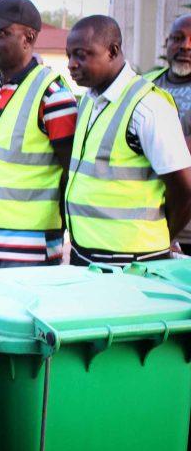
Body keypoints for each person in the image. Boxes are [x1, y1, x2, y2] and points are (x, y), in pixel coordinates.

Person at [65, 15, 191, 266]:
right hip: (86, 255)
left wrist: (163, 236)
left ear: (112, 51)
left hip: (132, 261)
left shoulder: (148, 106)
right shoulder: (90, 99)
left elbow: (185, 190)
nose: (71, 64)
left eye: (81, 54)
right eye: (69, 55)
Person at [0, 0, 78, 269]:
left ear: (28, 38)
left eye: (2, 34)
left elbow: (72, 174)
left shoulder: (53, 94)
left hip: (30, 248)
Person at [143, 13, 191, 254]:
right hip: (150, 220)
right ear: (167, 43)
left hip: (184, 223)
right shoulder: (145, 85)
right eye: (178, 38)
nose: (186, 46)